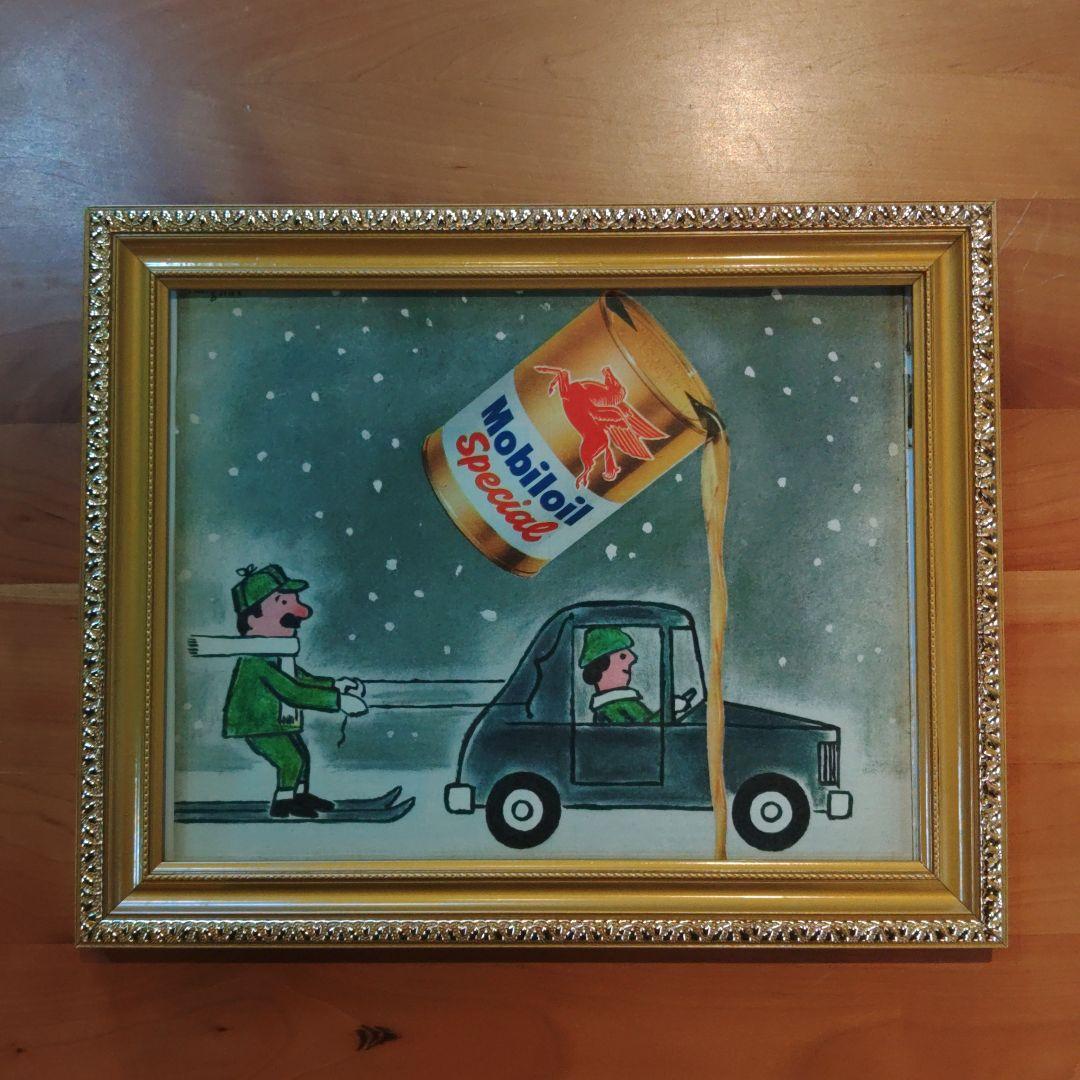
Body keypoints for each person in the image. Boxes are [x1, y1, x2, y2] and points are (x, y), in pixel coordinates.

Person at [223, 564, 367, 819]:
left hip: (276, 722)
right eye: (283, 602)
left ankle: (299, 795)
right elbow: (292, 691)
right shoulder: (256, 660)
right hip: (258, 724)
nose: (301, 611)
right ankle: (283, 802)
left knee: (302, 756)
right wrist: (338, 701)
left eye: (294, 601)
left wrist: (334, 684)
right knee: (291, 760)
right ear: (254, 619)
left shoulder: (279, 655)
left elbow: (301, 679)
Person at [579, 626, 695, 724]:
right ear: (601, 666)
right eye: (622, 656)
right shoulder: (609, 709)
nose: (632, 659)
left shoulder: (626, 702)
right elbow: (643, 734)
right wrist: (671, 709)